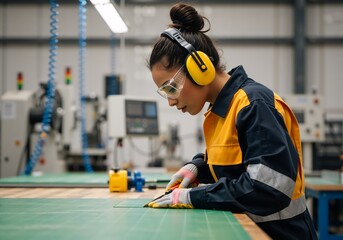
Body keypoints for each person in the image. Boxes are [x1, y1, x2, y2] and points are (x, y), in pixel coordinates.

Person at [146, 3, 317, 240]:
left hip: (280, 234)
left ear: (199, 68)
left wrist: (192, 197)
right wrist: (197, 168)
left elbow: (268, 187)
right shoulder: (221, 110)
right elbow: (235, 158)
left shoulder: (253, 104)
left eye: (171, 88)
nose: (171, 102)